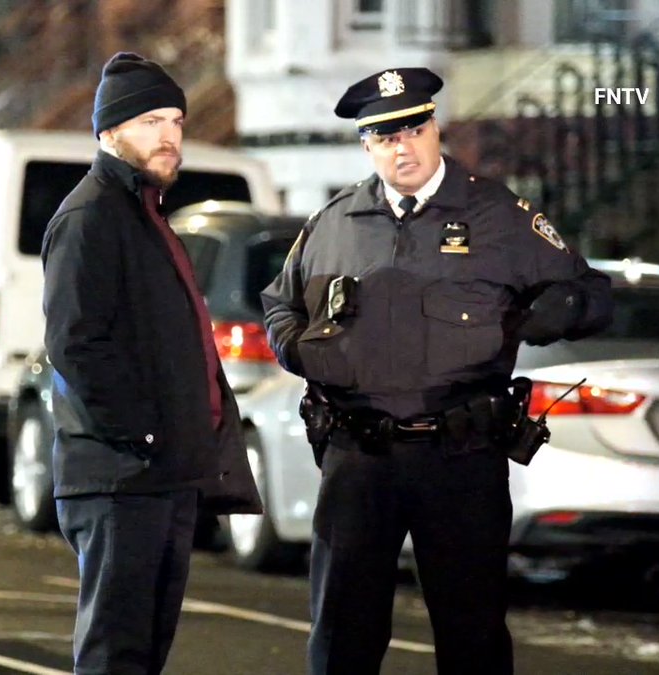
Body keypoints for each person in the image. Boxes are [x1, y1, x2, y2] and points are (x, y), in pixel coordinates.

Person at [262, 68, 613, 674]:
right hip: (357, 456)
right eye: (388, 136)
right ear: (366, 146)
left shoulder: (497, 213)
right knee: (341, 633)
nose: (405, 146)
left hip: (459, 458)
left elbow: (591, 292)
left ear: (436, 128)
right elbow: (280, 303)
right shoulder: (335, 223)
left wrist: (564, 307)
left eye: (417, 129)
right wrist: (296, 348)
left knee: (471, 633)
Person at [41, 52, 260, 675]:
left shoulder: (142, 212)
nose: (168, 135)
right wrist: (143, 432)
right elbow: (76, 345)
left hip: (159, 475)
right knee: (117, 653)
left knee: (142, 653)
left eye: (175, 121)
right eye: (148, 121)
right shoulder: (90, 217)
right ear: (109, 132)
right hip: (120, 477)